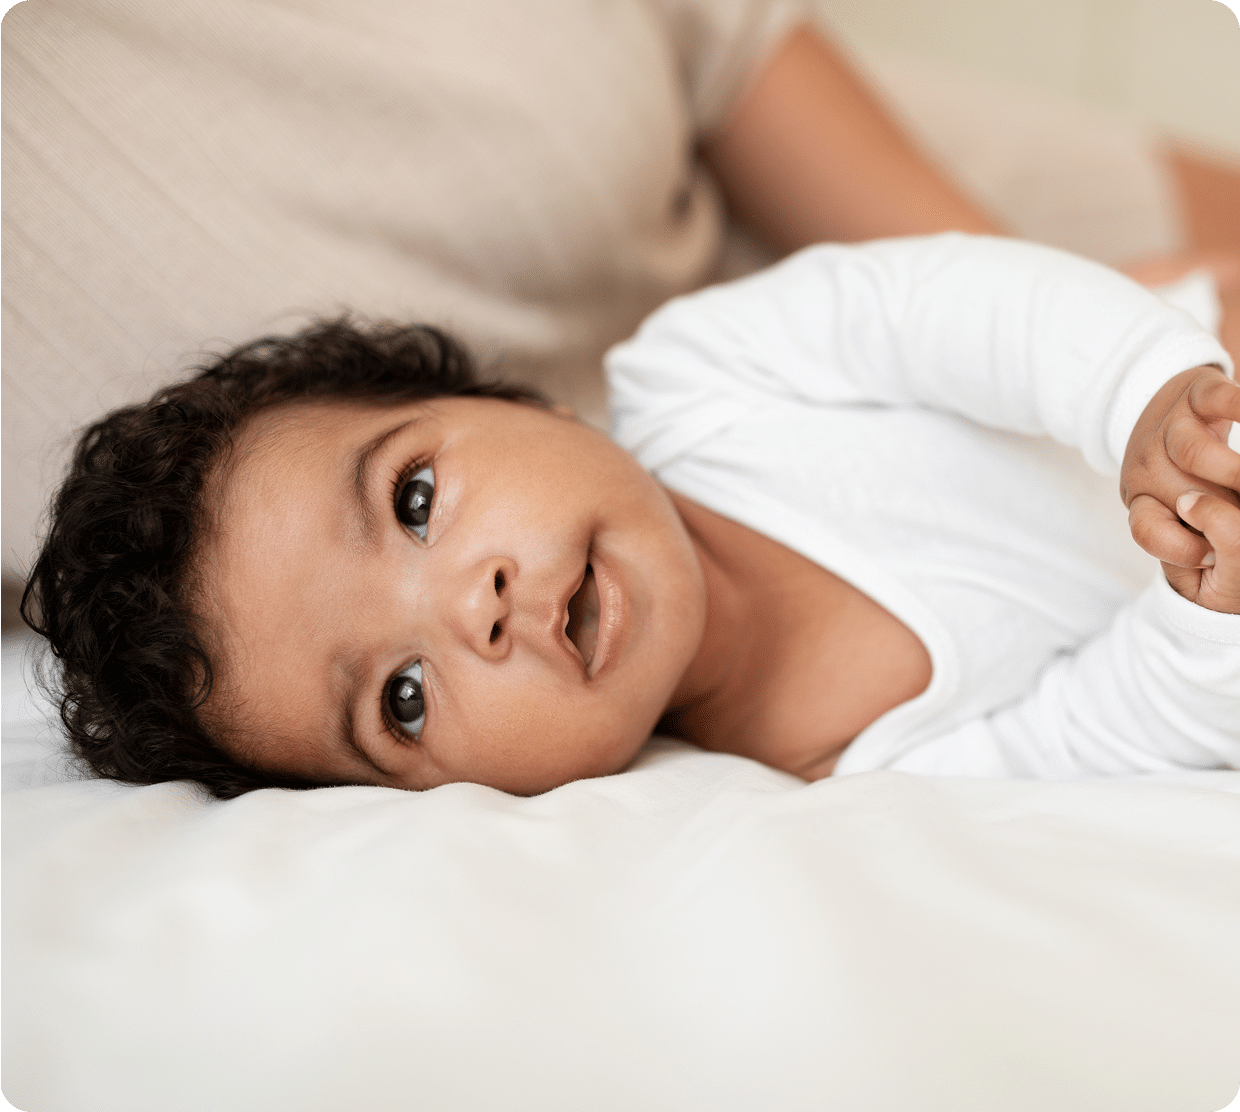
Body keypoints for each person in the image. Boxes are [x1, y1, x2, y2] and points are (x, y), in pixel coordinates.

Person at [23, 233, 1240, 797]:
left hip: (1201, 359)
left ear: (503, 400)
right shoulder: (835, 773)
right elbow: (1101, 731)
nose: (472, 605)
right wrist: (1204, 602)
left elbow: (960, 309)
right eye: (400, 696)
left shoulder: (704, 373)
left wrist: (1144, 400)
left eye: (415, 499)